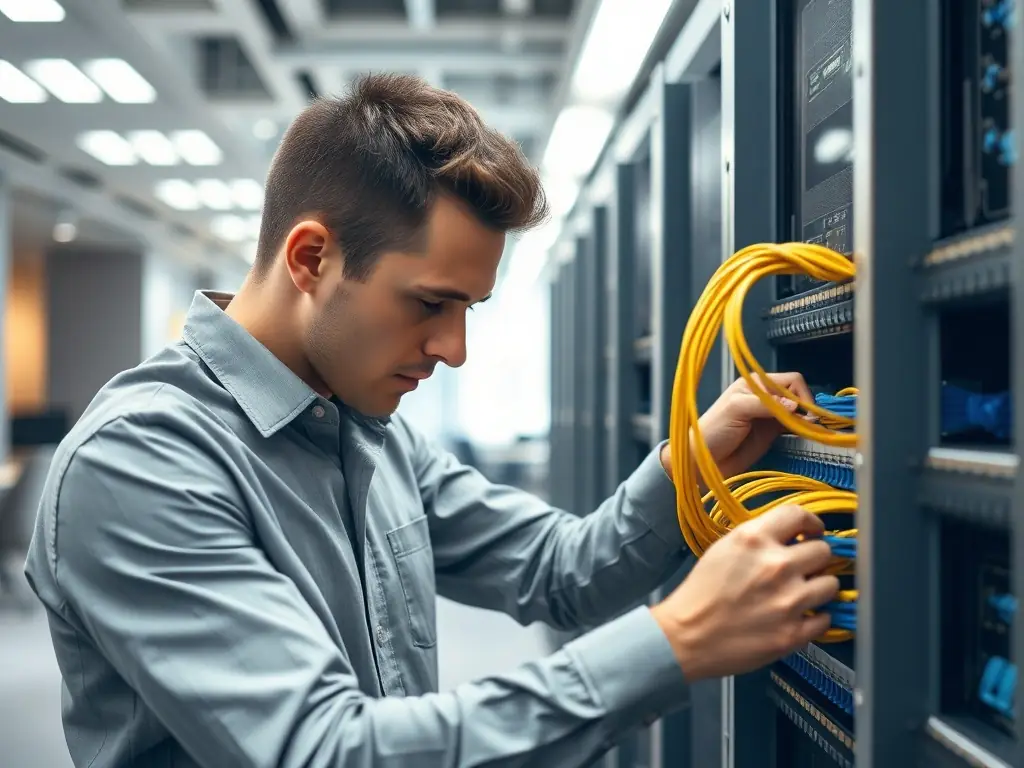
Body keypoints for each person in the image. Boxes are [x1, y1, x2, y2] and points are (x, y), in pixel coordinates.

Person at [23, 73, 840, 768]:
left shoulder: (365, 429)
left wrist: (693, 462)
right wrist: (680, 641)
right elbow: (325, 750)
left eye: (469, 310)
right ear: (311, 258)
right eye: (429, 304)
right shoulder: (140, 463)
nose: (453, 350)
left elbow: (559, 571)